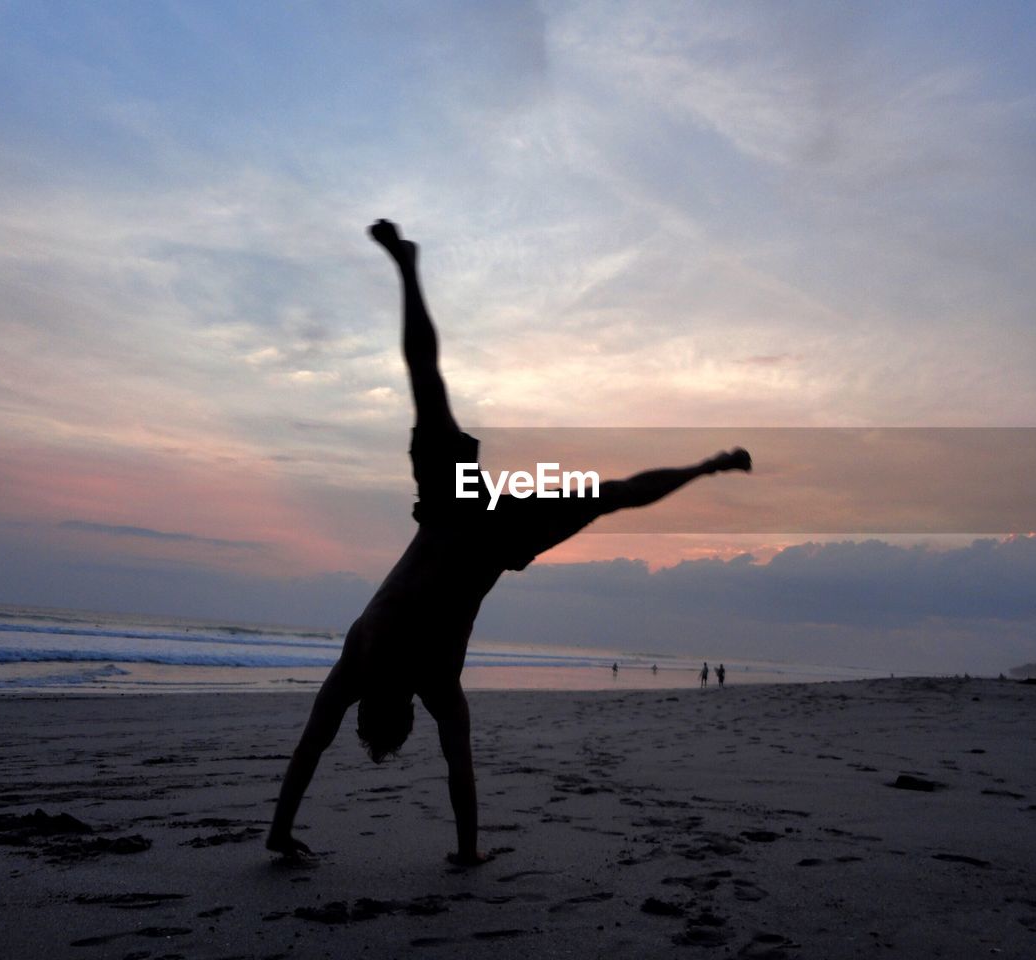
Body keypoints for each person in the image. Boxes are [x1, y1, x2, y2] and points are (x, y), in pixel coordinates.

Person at [266, 220, 752, 865]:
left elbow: (340, 755)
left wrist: (466, 851)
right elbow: (357, 755)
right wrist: (463, 854)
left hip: (483, 529)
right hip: (464, 514)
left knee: (604, 489)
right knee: (435, 389)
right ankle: (706, 466)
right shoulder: (375, 664)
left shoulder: (413, 677)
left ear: (399, 713)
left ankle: (705, 468)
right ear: (377, 711)